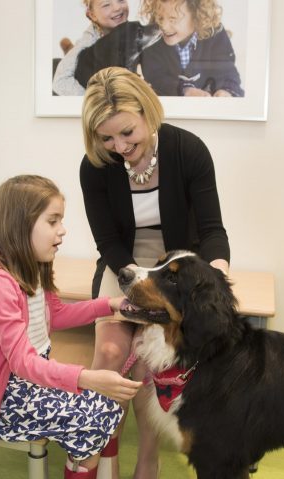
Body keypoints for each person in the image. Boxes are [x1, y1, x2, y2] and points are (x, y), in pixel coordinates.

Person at [79, 67, 230, 479]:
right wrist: (135, 283)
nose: (119, 146)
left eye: (127, 133)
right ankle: (103, 457)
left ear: (148, 112)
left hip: (172, 265)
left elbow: (213, 230)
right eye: (106, 138)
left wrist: (216, 276)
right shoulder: (94, 166)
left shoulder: (188, 151)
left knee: (149, 368)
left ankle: (147, 459)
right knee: (109, 355)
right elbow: (107, 242)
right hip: (123, 262)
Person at [0, 175, 142, 479]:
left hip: (29, 380)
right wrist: (85, 378)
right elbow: (22, 363)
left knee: (107, 406)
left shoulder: (34, 266)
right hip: (2, 397)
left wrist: (110, 305)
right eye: (53, 221)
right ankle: (85, 466)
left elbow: (58, 315)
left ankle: (87, 467)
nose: (62, 230)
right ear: (20, 225)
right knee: (92, 416)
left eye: (60, 221)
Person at [139, 0, 244, 97]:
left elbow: (227, 71)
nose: (164, 26)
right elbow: (156, 77)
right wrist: (186, 90)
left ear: (197, 16)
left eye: (173, 19)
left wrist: (226, 91)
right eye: (160, 18)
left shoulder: (215, 35)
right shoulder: (152, 41)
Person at [53, 0, 130, 96]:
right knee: (59, 64)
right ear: (92, 15)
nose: (117, 7)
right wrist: (91, 99)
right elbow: (60, 81)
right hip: (83, 69)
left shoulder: (132, 30)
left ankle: (69, 48)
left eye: (121, 0)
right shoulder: (89, 42)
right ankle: (69, 50)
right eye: (106, 5)